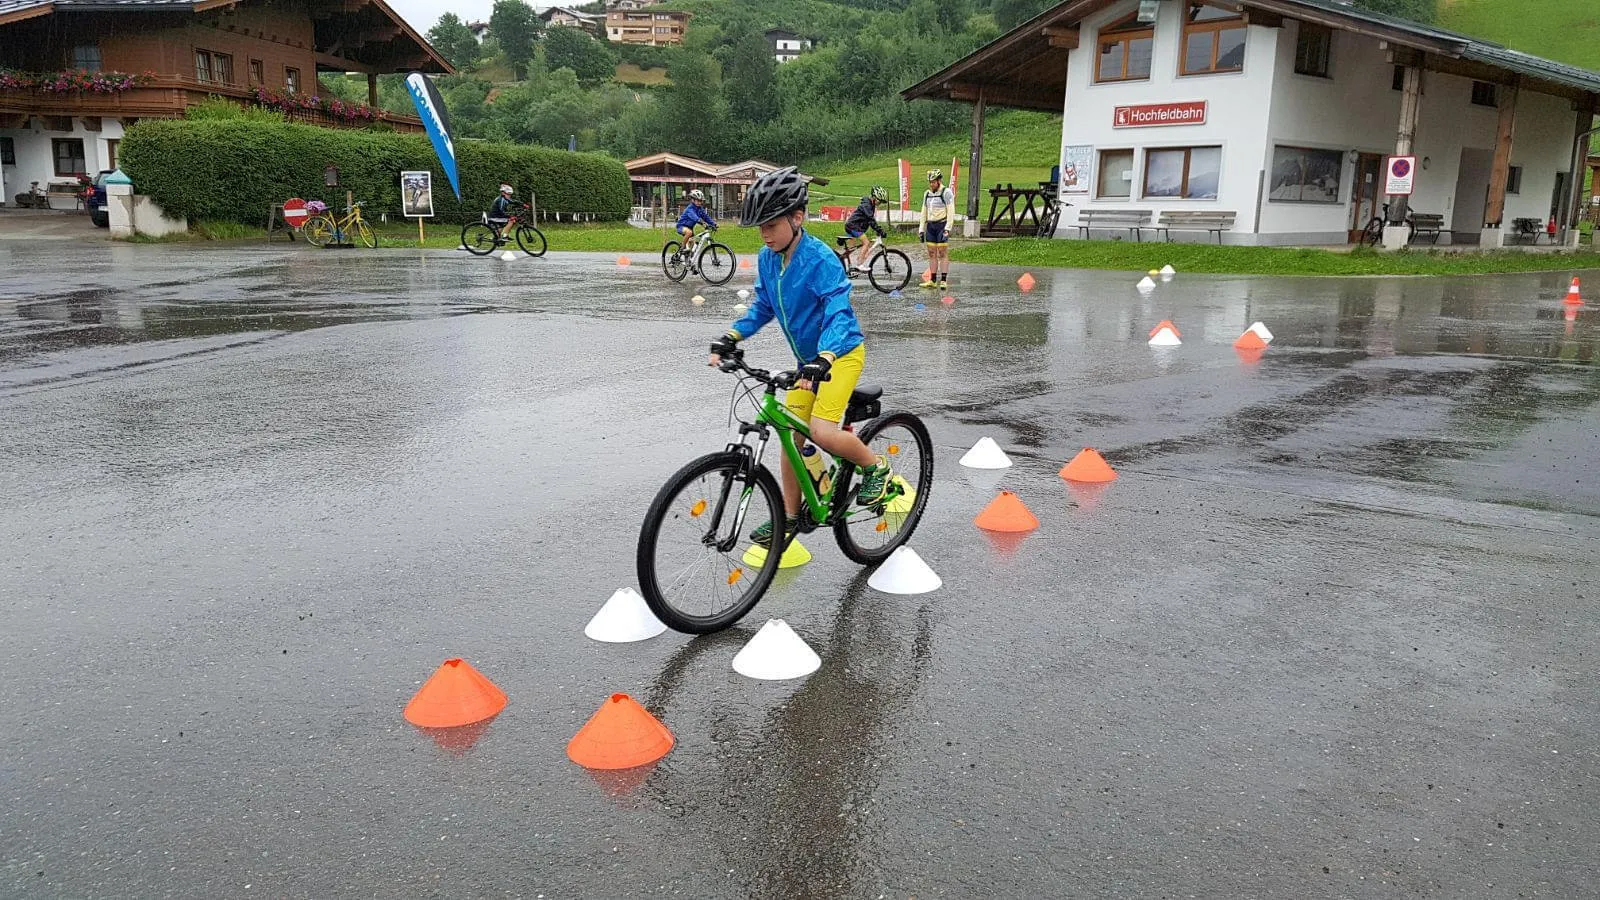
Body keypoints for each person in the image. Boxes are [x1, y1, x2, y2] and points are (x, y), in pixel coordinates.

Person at [707, 167, 895, 546]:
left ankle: (876, 468)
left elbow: (837, 311)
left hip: (840, 354)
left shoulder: (820, 259)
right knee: (791, 435)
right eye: (760, 227)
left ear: (797, 217)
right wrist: (732, 335)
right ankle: (791, 518)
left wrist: (825, 356)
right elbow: (763, 306)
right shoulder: (768, 258)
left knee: (822, 431)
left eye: (771, 225)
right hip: (808, 362)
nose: (764, 234)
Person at [841, 186, 889, 275]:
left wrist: (877, 229)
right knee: (866, 243)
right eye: (879, 201)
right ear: (874, 197)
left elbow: (870, 220)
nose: (879, 203)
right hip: (853, 226)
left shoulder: (870, 205)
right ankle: (859, 264)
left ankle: (846, 261)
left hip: (854, 226)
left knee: (852, 248)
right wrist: (879, 230)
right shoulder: (867, 205)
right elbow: (871, 219)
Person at [919, 169, 954, 290]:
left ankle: (943, 280)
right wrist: (921, 229)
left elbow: (951, 211)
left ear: (939, 181)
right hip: (930, 226)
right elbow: (924, 211)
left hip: (942, 225)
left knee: (942, 252)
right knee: (931, 253)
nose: (931, 184)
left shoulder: (946, 192)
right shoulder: (927, 194)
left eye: (933, 182)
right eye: (930, 182)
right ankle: (933, 280)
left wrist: (948, 228)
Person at [675, 189, 718, 253]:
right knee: (689, 232)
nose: (699, 203)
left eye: (701, 201)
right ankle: (682, 247)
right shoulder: (690, 209)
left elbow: (706, 217)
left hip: (690, 228)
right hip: (681, 226)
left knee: (692, 246)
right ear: (693, 200)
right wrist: (701, 222)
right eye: (698, 201)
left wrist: (714, 224)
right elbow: (694, 217)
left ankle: (688, 257)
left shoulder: (700, 209)